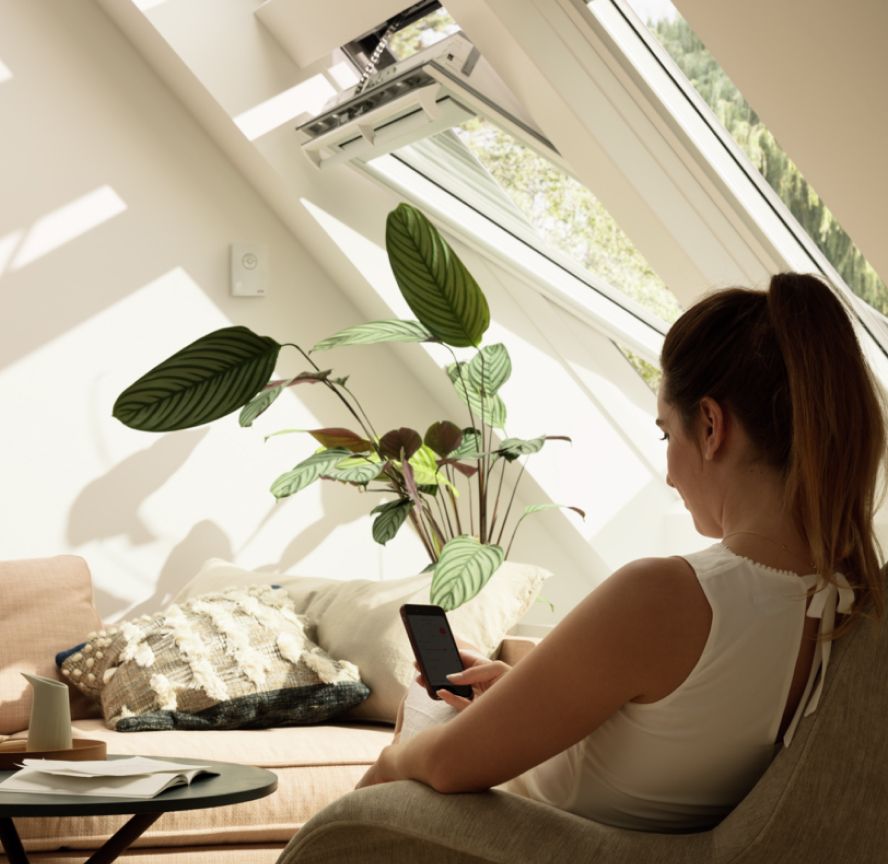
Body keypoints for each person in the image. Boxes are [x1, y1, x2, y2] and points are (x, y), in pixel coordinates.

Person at [356, 272, 887, 831]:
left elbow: (444, 765)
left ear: (710, 426)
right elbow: (682, 721)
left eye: (666, 435)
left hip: (501, 836)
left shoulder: (667, 595)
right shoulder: (844, 598)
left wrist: (393, 759)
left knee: (423, 719)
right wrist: (520, 694)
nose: (667, 474)